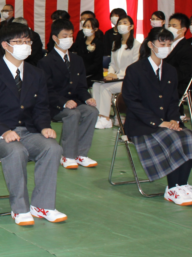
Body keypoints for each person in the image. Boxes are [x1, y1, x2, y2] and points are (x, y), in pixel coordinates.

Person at [0, 22, 65, 226]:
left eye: (27, 41)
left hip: (28, 131)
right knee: (16, 151)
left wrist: (45, 126)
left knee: (52, 148)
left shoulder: (36, 73)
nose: (25, 45)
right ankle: (20, 208)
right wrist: (3, 131)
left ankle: (43, 205)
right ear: (5, 45)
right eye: (19, 41)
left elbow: (41, 107)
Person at [122, 27, 192, 206]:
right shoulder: (135, 70)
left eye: (169, 44)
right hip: (141, 124)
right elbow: (132, 102)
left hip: (167, 122)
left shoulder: (170, 70)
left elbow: (172, 100)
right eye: (162, 44)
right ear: (151, 45)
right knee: (172, 139)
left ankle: (181, 185)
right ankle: (171, 188)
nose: (166, 47)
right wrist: (159, 122)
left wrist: (174, 120)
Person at [39, 19, 99, 169]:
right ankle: (67, 155)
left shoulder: (77, 59)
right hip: (54, 105)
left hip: (75, 102)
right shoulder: (45, 62)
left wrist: (87, 98)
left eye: (70, 35)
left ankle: (81, 153)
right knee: (72, 114)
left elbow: (81, 86)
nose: (68, 39)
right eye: (64, 35)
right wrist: (64, 102)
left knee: (92, 111)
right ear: (55, 38)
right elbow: (46, 90)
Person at [92, 15, 139, 129]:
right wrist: (110, 74)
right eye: (119, 23)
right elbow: (112, 64)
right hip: (116, 78)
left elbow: (133, 67)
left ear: (131, 26)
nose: (121, 25)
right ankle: (98, 115)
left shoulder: (137, 45)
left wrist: (116, 75)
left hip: (129, 80)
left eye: (124, 22)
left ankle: (105, 117)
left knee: (105, 88)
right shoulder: (115, 44)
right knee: (96, 85)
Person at [165, 13, 192, 114]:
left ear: (183, 29)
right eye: (169, 26)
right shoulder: (163, 45)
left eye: (174, 26)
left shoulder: (188, 49)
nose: (170, 28)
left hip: (175, 85)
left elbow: (183, 74)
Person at [73, 17, 104, 85]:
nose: (86, 28)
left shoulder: (98, 44)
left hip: (94, 75)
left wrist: (84, 72)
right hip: (81, 72)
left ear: (95, 29)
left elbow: (97, 64)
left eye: (88, 26)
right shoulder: (81, 42)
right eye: (84, 26)